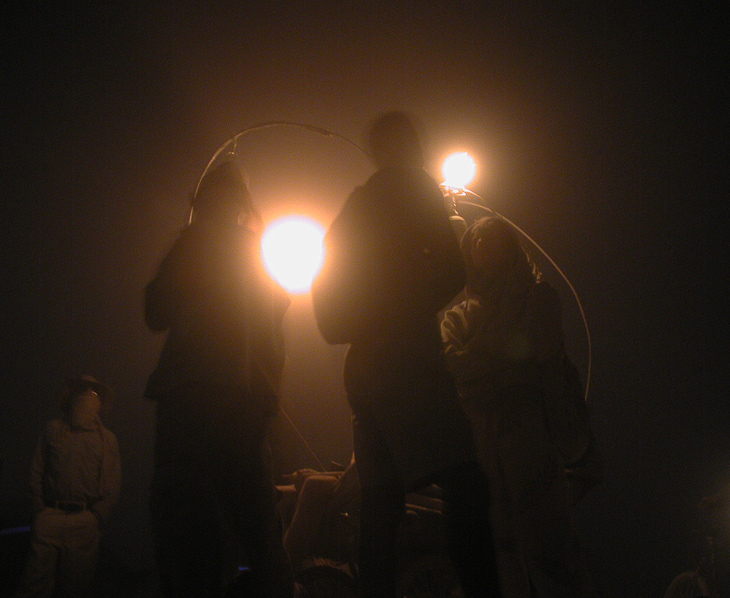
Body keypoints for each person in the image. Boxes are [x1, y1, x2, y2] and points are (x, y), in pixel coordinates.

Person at [311, 110, 502, 598]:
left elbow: (326, 311)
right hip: (408, 360)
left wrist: (362, 320)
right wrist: (406, 308)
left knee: (381, 499)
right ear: (411, 146)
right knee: (465, 481)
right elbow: (451, 271)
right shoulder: (414, 188)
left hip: (363, 368)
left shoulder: (354, 206)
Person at [144, 159, 294, 598]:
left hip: (191, 405)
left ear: (203, 202)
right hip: (248, 407)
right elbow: (272, 338)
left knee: (186, 526)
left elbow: (155, 311)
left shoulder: (195, 243)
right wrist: (266, 402)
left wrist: (187, 243)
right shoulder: (257, 256)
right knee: (260, 529)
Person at [441, 216, 601, 597]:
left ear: (509, 245)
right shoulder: (459, 315)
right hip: (480, 435)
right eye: (474, 240)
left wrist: (480, 355)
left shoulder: (538, 296)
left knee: (549, 546)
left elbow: (533, 348)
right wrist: (500, 357)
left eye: (489, 238)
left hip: (526, 429)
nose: (480, 246)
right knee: (502, 551)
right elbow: (452, 363)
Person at [15, 374, 121, 598]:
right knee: (35, 585)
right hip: (49, 516)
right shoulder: (53, 429)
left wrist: (96, 516)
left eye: (92, 391)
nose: (86, 395)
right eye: (82, 389)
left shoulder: (107, 439)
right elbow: (37, 469)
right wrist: (40, 510)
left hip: (84, 520)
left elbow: (113, 481)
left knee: (76, 588)